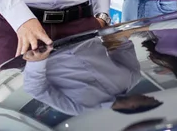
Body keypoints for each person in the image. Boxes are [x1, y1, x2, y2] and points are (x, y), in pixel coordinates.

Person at [23, 39, 162, 116]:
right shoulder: (133, 77)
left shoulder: (79, 108)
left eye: (145, 99)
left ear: (133, 107)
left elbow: (37, 91)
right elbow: (123, 45)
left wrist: (37, 62)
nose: (145, 94)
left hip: (38, 46)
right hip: (80, 31)